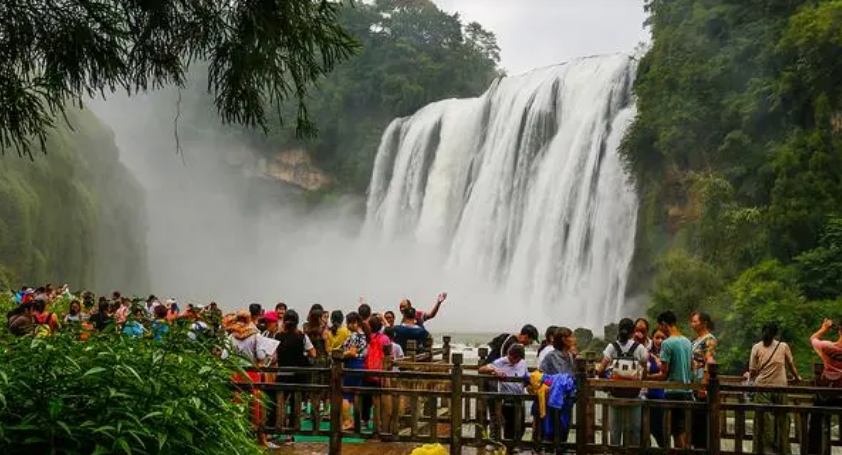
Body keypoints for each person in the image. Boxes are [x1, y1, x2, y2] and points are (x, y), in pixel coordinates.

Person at [746, 322, 799, 454]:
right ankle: (781, 451)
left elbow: (752, 371)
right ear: (776, 334)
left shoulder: (757, 347)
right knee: (780, 421)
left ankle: (764, 451)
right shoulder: (782, 346)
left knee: (764, 423)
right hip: (778, 387)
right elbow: (791, 366)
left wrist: (748, 378)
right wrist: (797, 378)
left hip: (764, 388)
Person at [598, 318, 648, 447]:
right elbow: (645, 370)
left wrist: (607, 383)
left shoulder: (612, 347)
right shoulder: (640, 348)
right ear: (633, 331)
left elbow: (600, 370)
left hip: (616, 394)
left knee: (615, 430)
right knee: (634, 430)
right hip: (634, 395)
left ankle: (615, 451)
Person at [649, 311, 693, 449]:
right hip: (688, 392)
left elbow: (663, 374)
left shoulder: (667, 344)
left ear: (663, 324)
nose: (660, 330)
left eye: (660, 326)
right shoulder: (687, 341)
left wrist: (645, 377)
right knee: (684, 430)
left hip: (673, 393)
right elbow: (691, 367)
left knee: (676, 431)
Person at [273, 309, 315, 439]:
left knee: (280, 402)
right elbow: (313, 353)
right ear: (297, 322)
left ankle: (278, 429)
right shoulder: (302, 336)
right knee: (295, 403)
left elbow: (273, 356)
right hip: (298, 374)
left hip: (283, 373)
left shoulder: (278, 336)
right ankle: (291, 433)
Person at [479, 343, 528, 443]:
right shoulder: (501, 362)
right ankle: (508, 447)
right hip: (506, 399)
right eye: (511, 357)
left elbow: (527, 377)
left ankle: (515, 445)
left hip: (520, 399)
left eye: (515, 358)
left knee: (521, 426)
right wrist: (494, 370)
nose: (512, 360)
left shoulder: (523, 363)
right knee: (508, 427)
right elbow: (481, 369)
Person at [808, 318, 842, 454]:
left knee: (816, 416)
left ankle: (813, 450)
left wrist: (824, 328)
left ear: (839, 331)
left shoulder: (827, 346)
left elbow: (813, 339)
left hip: (827, 395)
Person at [538, 327, 577, 443]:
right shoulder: (551, 356)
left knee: (565, 427)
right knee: (552, 428)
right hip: (553, 397)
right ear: (564, 339)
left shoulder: (570, 356)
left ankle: (561, 448)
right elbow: (541, 374)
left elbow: (573, 375)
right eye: (571, 336)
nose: (574, 339)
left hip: (568, 397)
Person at [690, 311, 717, 449]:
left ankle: (702, 447)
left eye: (695, 321)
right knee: (694, 419)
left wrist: (704, 384)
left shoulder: (709, 339)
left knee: (701, 419)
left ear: (704, 323)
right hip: (693, 382)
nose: (692, 324)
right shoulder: (695, 340)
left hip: (701, 382)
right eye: (692, 321)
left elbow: (709, 361)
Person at [341, 312, 368, 430]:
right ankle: (357, 421)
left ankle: (347, 421)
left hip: (352, 364)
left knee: (345, 395)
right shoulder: (365, 335)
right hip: (361, 364)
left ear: (355, 323)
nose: (347, 326)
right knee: (356, 394)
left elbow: (352, 352)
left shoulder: (354, 336)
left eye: (348, 323)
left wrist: (341, 354)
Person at [646, 327, 667, 448]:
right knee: (645, 430)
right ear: (652, 339)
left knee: (660, 431)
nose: (660, 341)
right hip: (648, 396)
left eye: (663, 338)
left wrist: (649, 377)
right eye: (657, 337)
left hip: (663, 397)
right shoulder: (647, 354)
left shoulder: (669, 354)